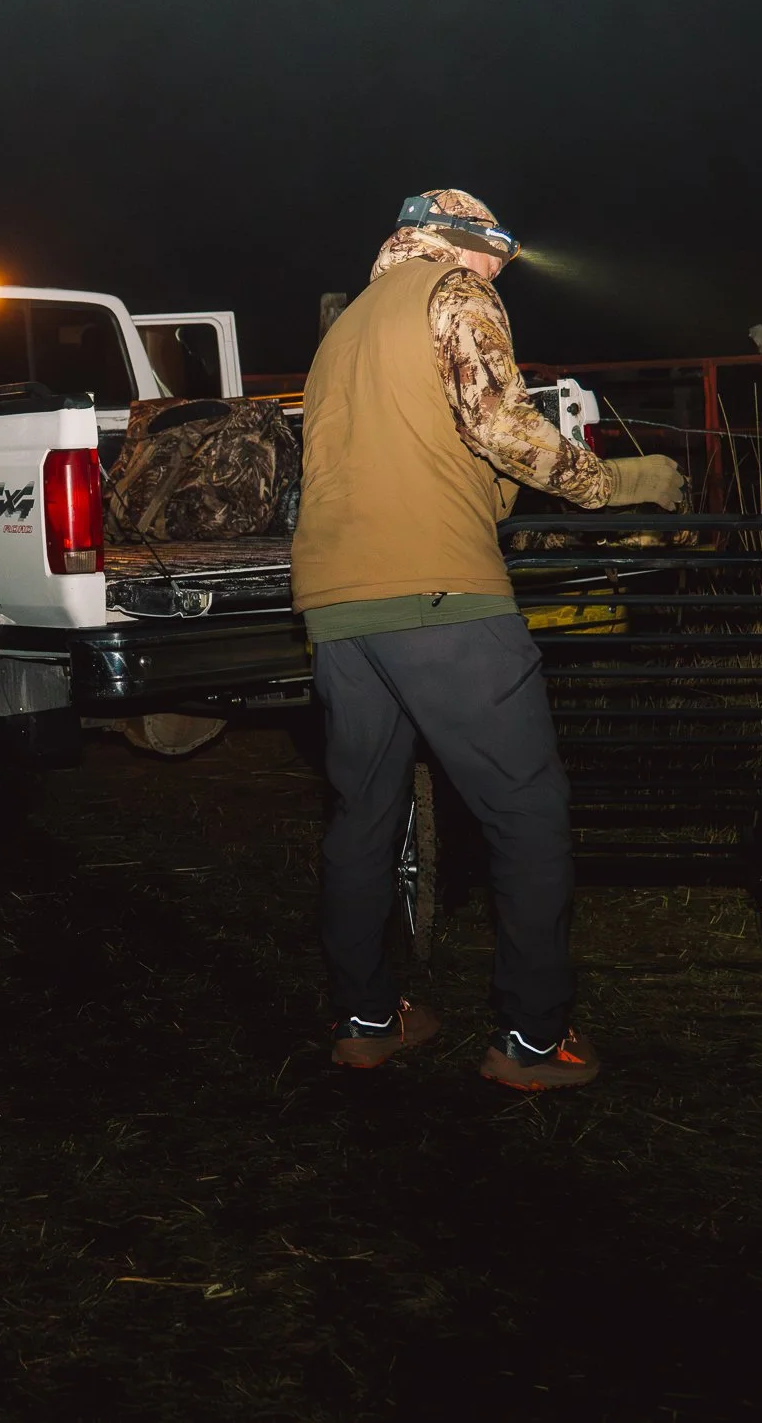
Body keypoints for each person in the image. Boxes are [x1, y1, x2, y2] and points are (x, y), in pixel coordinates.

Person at [290, 189, 686, 1085]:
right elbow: (503, 427)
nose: (502, 271)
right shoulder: (454, 294)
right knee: (529, 809)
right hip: (441, 595)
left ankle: (366, 1019)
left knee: (363, 817)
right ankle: (534, 1042)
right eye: (497, 253)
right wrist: (620, 481)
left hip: (335, 604)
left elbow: (406, 453)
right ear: (460, 243)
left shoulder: (342, 331)